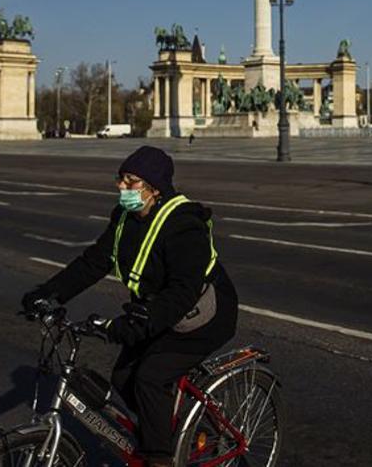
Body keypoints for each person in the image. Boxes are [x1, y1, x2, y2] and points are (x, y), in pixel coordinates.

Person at [22, 146, 238, 467]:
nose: (121, 187)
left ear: (154, 188)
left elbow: (183, 290)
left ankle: (160, 458)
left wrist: (141, 323)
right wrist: (47, 293)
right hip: (153, 310)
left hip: (203, 314)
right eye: (120, 179)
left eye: (131, 181)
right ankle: (166, 431)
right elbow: (94, 262)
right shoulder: (124, 217)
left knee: (150, 376)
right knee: (123, 376)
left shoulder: (183, 224)